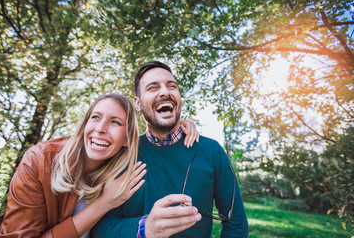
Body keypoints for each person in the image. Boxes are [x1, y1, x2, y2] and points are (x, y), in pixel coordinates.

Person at [0, 93, 199, 238]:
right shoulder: (39, 161)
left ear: (127, 139)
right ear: (85, 125)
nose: (100, 129)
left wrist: (176, 127)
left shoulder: (125, 169)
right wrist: (104, 203)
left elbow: (157, 143)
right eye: (95, 118)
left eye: (115, 122)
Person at [93, 61, 249, 238]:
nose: (165, 92)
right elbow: (100, 229)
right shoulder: (121, 155)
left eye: (171, 86)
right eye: (152, 88)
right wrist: (145, 228)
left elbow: (236, 225)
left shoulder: (212, 152)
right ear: (137, 103)